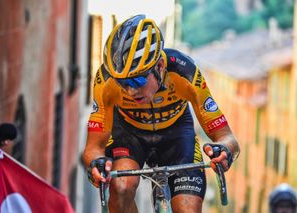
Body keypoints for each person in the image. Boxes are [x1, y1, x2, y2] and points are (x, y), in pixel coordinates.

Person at [81, 14, 240, 213]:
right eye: (122, 83)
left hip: (177, 135)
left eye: (137, 81)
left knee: (188, 208)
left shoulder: (185, 73)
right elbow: (93, 147)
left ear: (160, 67)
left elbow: (227, 137)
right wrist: (96, 162)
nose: (130, 91)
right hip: (129, 135)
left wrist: (224, 151)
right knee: (122, 186)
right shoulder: (104, 82)